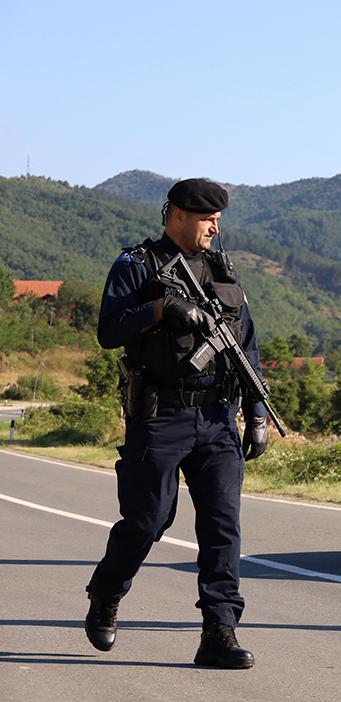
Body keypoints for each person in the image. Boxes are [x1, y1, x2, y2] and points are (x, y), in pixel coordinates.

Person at [84, 178, 268, 670]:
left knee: (222, 526)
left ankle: (219, 633)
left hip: (217, 417)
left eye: (218, 219)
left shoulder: (222, 268)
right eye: (207, 218)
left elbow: (245, 344)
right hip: (160, 415)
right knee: (148, 519)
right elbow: (108, 330)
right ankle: (106, 592)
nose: (215, 226)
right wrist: (161, 308)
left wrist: (255, 413)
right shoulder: (137, 265)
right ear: (178, 215)